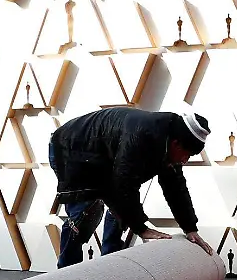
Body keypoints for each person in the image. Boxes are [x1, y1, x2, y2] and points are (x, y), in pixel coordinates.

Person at [48, 108, 216, 268]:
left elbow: (176, 189)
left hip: (103, 157)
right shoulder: (142, 136)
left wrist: (190, 228)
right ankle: (66, 277)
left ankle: (108, 268)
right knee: (85, 215)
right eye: (187, 154)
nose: (185, 160)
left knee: (120, 213)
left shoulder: (169, 144)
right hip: (70, 148)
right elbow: (124, 184)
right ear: (176, 143)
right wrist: (141, 228)